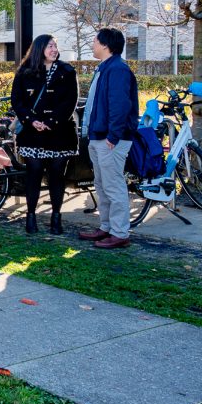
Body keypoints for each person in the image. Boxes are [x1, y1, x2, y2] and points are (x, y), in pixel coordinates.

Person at [11, 35, 79, 234]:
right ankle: (30, 217)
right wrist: (31, 120)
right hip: (32, 133)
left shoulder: (67, 71)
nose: (54, 49)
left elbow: (70, 101)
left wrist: (51, 122)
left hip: (60, 133)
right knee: (33, 173)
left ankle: (56, 218)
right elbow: (17, 100)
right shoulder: (25, 72)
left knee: (57, 175)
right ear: (39, 48)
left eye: (55, 46)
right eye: (50, 46)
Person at [78, 27, 139, 249]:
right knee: (102, 185)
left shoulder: (117, 70)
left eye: (95, 41)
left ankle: (120, 233)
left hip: (110, 139)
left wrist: (113, 135)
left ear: (105, 45)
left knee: (113, 186)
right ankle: (106, 227)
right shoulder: (105, 68)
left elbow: (120, 105)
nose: (92, 44)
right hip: (100, 136)